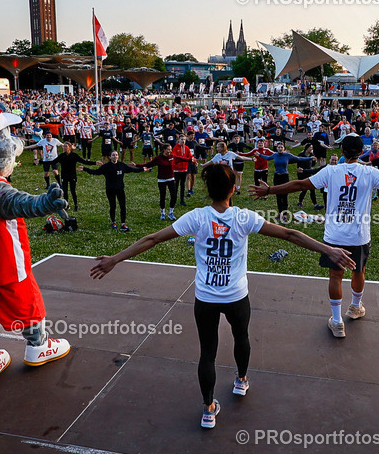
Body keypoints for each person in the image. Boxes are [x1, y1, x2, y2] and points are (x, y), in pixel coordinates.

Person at [90, 163, 356, 429]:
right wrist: (328, 250)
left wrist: (116, 258)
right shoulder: (243, 217)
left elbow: (152, 239)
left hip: (206, 298)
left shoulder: (197, 217)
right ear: (232, 189)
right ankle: (241, 380)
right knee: (242, 337)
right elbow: (289, 233)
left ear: (208, 189)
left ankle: (208, 409)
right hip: (236, 296)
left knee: (207, 352)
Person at [248, 135, 379, 338]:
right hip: (358, 236)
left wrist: (269, 191)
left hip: (334, 235)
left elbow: (300, 184)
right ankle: (356, 306)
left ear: (342, 151)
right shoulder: (369, 173)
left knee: (335, 276)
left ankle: (337, 320)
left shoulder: (331, 171)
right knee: (358, 270)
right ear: (362, 152)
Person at [82, 150, 145, 230]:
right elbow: (96, 172)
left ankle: (123, 223)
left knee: (123, 206)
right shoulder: (106, 166)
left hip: (120, 189)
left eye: (116, 155)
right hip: (110, 190)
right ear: (110, 157)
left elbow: (132, 170)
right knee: (113, 206)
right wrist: (85, 169)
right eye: (113, 155)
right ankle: (113, 222)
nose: (115, 156)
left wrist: (142, 169)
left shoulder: (121, 165)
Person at [139, 144, 179, 220]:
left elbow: (182, 159)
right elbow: (148, 164)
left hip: (171, 178)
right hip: (162, 180)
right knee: (162, 196)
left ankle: (171, 212)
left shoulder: (172, 156)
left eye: (171, 149)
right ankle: (163, 213)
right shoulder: (158, 158)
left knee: (174, 195)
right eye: (168, 149)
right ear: (164, 150)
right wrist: (137, 165)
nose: (170, 151)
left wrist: (191, 160)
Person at [55, 142, 97, 211]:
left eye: (66, 146)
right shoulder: (62, 156)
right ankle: (66, 205)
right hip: (64, 176)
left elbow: (84, 162)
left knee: (73, 191)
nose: (64, 148)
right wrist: (41, 162)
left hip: (72, 175)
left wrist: (95, 163)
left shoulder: (74, 155)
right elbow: (52, 161)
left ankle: (76, 205)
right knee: (65, 191)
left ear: (69, 148)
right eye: (63, 146)